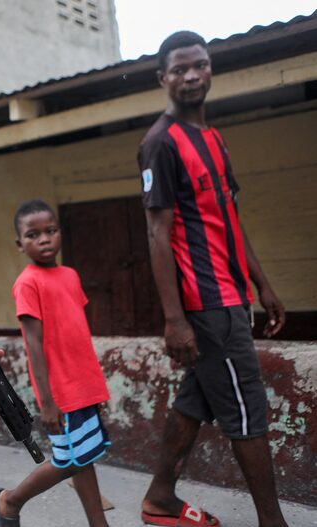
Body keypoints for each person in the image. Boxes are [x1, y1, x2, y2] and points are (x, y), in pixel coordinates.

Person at [138, 31, 289, 527]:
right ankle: (273, 521)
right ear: (163, 79)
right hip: (206, 308)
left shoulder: (214, 137)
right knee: (248, 413)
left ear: (210, 69)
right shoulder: (160, 143)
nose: (191, 76)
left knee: (195, 400)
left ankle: (160, 498)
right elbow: (158, 235)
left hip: (233, 298)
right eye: (179, 69)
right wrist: (174, 319)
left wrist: (262, 285)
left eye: (199, 65)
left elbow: (230, 216)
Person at [0, 200, 111, 527]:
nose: (44, 240)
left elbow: (75, 334)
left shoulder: (70, 275)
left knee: (83, 457)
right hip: (61, 392)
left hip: (84, 385)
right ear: (20, 245)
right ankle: (10, 501)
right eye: (33, 235)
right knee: (67, 461)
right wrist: (47, 402)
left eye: (51, 231)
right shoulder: (28, 283)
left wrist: (94, 386)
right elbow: (34, 344)